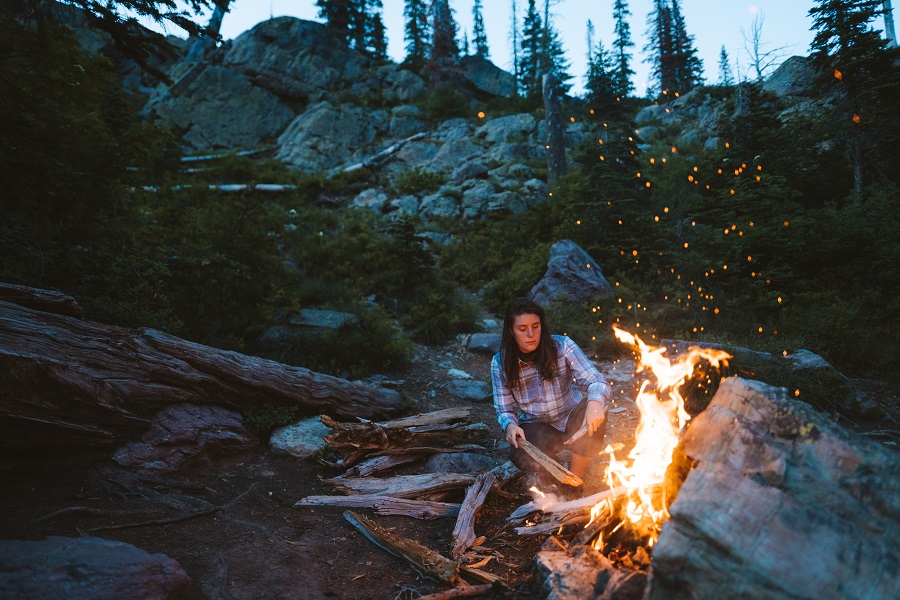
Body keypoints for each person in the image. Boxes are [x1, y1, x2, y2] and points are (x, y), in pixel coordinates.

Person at [491, 297, 612, 490]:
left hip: (571, 417)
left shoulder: (562, 346)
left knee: (597, 413)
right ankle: (551, 479)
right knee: (520, 452)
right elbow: (504, 409)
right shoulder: (500, 363)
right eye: (522, 329)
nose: (530, 334)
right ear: (511, 331)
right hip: (537, 425)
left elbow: (596, 380)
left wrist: (595, 403)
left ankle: (574, 480)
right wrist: (510, 425)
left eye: (535, 326)